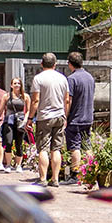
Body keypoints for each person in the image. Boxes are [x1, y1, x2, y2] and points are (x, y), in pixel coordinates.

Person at [29, 52, 71, 188]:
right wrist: (65, 116)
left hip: (44, 117)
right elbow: (67, 100)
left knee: (43, 149)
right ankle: (55, 179)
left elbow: (35, 100)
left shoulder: (38, 79)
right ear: (55, 64)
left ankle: (42, 178)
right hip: (59, 115)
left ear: (41, 64)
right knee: (56, 149)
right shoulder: (63, 78)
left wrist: (30, 118)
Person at [65, 52, 96, 184]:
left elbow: (69, 100)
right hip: (88, 117)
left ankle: (75, 174)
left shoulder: (72, 79)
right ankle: (91, 171)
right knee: (87, 145)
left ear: (70, 64)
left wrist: (65, 116)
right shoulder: (90, 77)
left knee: (75, 146)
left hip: (75, 118)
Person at [2, 77, 31, 173]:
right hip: (9, 121)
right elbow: (1, 109)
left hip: (20, 122)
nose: (17, 85)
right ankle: (8, 165)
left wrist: (26, 120)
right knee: (9, 142)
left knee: (19, 144)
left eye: (18, 83)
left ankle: (18, 165)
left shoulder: (25, 96)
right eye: (15, 83)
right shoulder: (7, 96)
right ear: (11, 85)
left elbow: (28, 110)